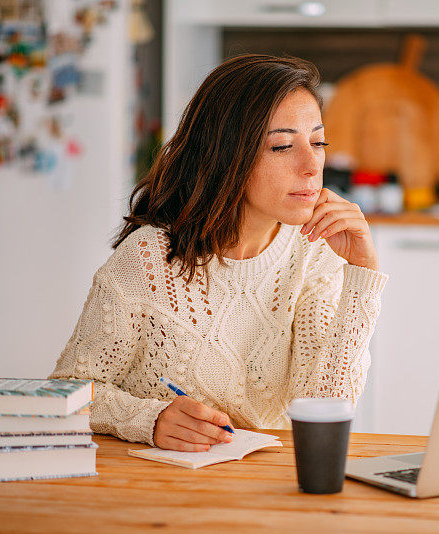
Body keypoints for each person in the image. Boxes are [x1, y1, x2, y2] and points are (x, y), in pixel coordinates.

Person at [49, 54, 389, 452]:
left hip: (265, 485)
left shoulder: (315, 251)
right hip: (163, 490)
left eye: (318, 142)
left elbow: (325, 406)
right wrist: (149, 419)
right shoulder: (148, 260)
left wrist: (362, 275)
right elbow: (65, 394)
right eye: (281, 146)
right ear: (227, 155)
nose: (312, 165)